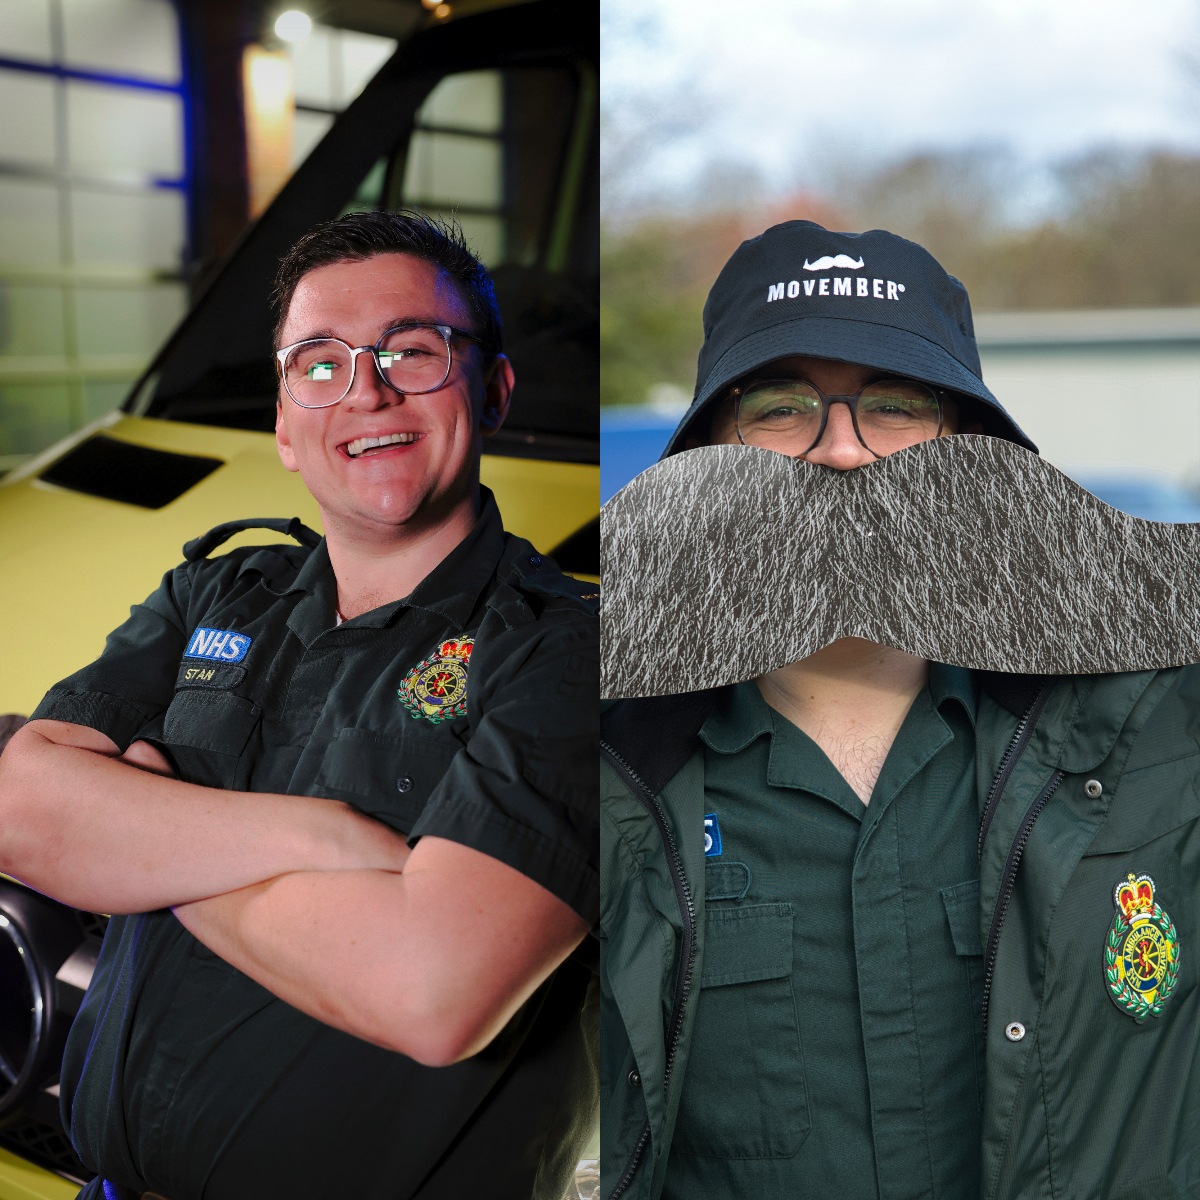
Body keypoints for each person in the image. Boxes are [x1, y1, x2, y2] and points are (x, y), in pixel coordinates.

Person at [0, 210, 599, 1200]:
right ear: (283, 421)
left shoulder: (574, 654)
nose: (363, 390)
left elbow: (431, 991)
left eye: (413, 350)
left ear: (490, 389)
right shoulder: (213, 593)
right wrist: (320, 837)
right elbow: (21, 809)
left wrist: (138, 837)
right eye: (318, 362)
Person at [599, 220, 1199, 1199]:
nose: (841, 450)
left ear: (972, 448)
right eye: (779, 406)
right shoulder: (610, 758)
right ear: (710, 451)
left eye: (896, 405)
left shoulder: (1159, 726)